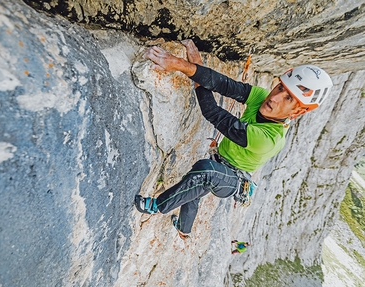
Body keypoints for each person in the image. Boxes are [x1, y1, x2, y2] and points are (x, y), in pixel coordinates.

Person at [134, 40, 333, 240]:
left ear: (297, 112)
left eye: (288, 98)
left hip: (232, 179)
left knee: (205, 171)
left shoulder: (269, 139)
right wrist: (196, 68)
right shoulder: (262, 98)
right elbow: (224, 85)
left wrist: (182, 66)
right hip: (220, 163)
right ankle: (184, 229)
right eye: (280, 87)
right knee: (193, 189)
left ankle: (157, 206)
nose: (274, 98)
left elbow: (212, 112)